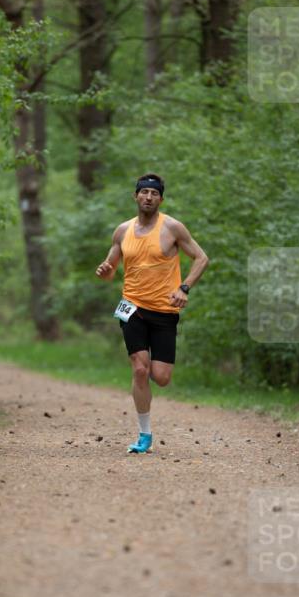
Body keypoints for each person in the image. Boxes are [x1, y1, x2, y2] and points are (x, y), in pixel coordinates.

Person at [95, 173, 209, 453]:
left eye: (154, 193)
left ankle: (146, 378)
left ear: (161, 199)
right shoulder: (122, 231)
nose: (148, 197)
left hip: (164, 311)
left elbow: (201, 258)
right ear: (135, 196)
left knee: (161, 377)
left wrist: (184, 288)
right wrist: (105, 271)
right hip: (131, 307)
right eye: (144, 192)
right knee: (139, 368)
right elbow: (110, 270)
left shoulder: (172, 228)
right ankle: (144, 434)